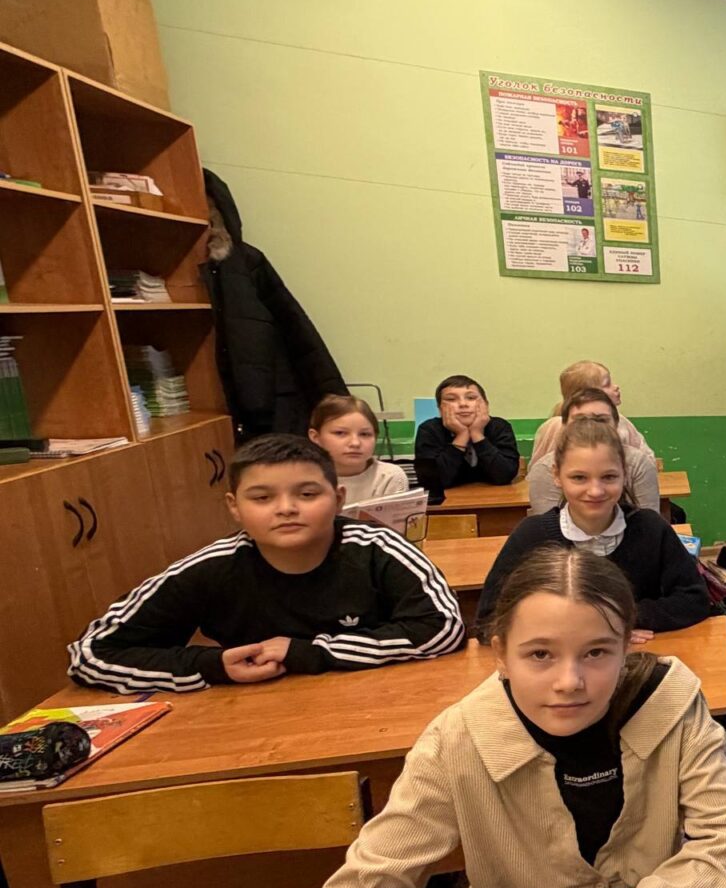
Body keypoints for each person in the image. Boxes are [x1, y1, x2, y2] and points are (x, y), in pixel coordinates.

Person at [314, 544, 726, 888]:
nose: (570, 681)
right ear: (500, 654)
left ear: (628, 645)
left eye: (597, 652)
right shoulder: (454, 743)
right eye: (540, 654)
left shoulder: (672, 702)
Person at [67, 434, 463, 692]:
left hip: (375, 705)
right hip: (254, 722)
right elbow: (90, 654)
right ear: (234, 507)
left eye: (307, 494)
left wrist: (307, 652)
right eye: (262, 498)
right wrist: (212, 665)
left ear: (339, 499)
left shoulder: (378, 548)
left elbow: (443, 628)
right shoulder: (211, 567)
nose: (286, 508)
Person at [478, 420, 711, 636]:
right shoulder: (532, 535)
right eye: (579, 478)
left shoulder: (651, 528)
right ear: (557, 476)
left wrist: (625, 620)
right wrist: (593, 629)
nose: (596, 491)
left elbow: (695, 599)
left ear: (624, 474)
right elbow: (489, 618)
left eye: (609, 477)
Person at [201, 169, 348, 441]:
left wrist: (339, 408)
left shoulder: (246, 264)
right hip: (216, 408)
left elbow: (299, 334)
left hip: (267, 408)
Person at [527, 388, 660, 515]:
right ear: (564, 426)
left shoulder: (638, 463)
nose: (591, 426)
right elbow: (548, 525)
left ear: (616, 424)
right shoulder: (544, 468)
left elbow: (649, 522)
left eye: (601, 420)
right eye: (580, 420)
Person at [414, 375, 520, 502]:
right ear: (440, 409)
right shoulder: (429, 430)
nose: (463, 404)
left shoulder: (500, 427)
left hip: (496, 500)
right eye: (451, 399)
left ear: (486, 405)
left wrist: (477, 434)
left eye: (471, 398)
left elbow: (504, 476)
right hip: (448, 504)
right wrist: (461, 436)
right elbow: (433, 483)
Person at [531, 360, 648, 462]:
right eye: (607, 384)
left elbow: (645, 459)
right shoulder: (555, 427)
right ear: (586, 394)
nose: (616, 387)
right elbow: (540, 469)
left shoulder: (622, 423)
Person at [308, 393, 408, 507]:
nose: (355, 443)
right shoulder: (301, 476)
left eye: (365, 434)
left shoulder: (389, 477)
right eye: (340, 433)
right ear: (316, 437)